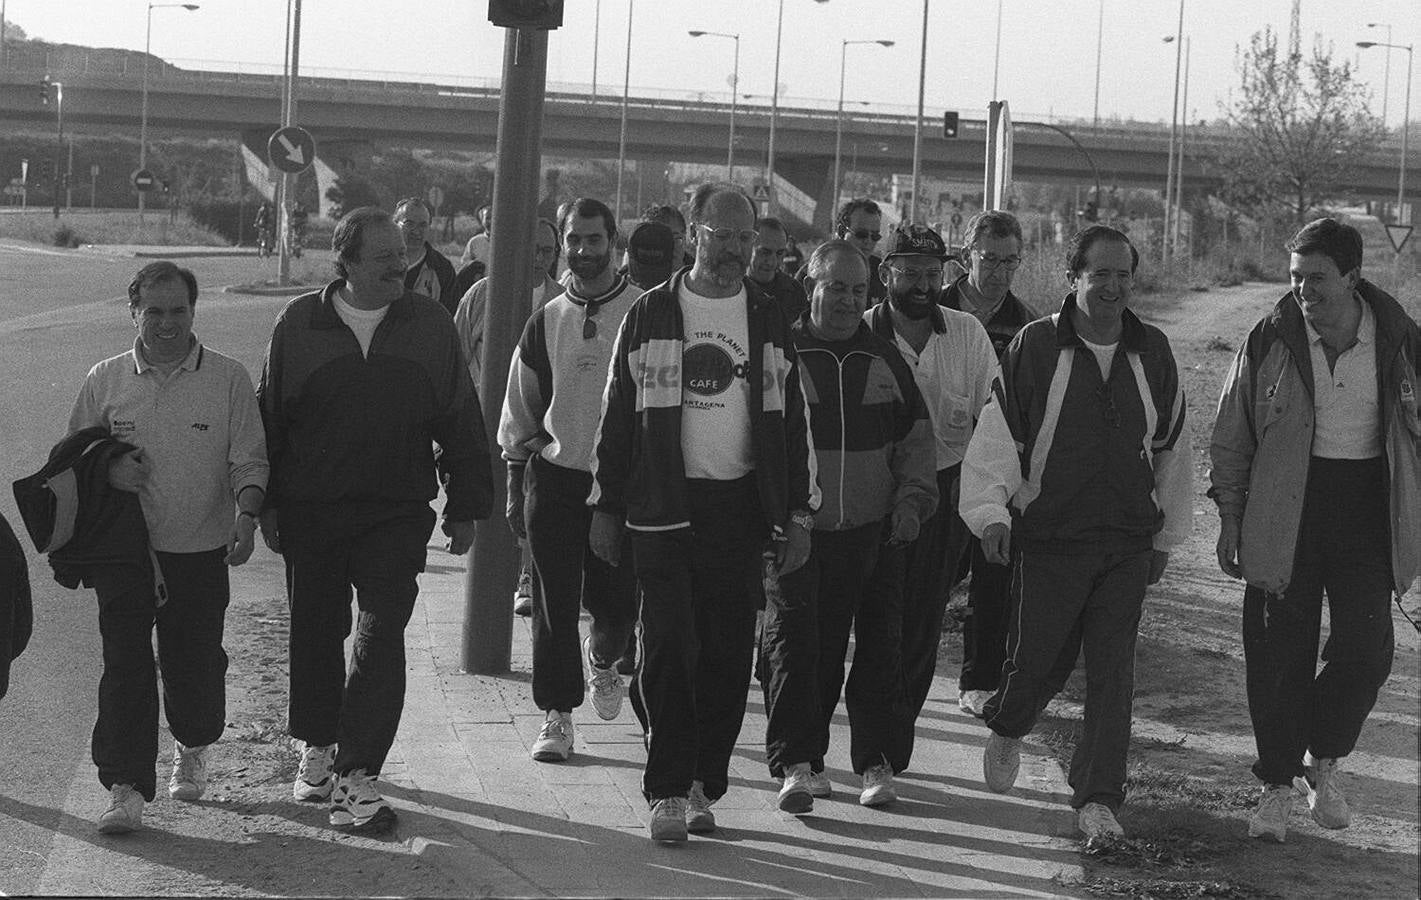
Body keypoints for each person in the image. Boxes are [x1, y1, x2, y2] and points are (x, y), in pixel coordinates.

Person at [588, 182, 818, 843]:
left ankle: (700, 784)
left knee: (722, 653)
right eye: (720, 238)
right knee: (664, 645)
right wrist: (605, 503)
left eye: (744, 240)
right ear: (693, 236)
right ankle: (664, 789)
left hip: (737, 510)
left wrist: (797, 513)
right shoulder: (652, 313)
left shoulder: (768, 315)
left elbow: (791, 418)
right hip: (662, 502)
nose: (733, 252)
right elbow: (615, 415)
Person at [257, 207, 493, 834]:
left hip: (395, 510)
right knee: (316, 627)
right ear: (348, 262)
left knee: (382, 631)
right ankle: (317, 744)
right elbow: (272, 421)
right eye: (385, 255)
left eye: (404, 252)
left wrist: (467, 504)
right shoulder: (299, 323)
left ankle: (358, 774)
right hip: (313, 509)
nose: (401, 264)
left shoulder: (430, 324)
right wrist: (267, 505)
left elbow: (459, 416)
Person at [960, 224, 1192, 843]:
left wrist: (1166, 538)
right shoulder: (1035, 347)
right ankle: (1008, 725)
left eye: (1123, 275)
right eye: (1100, 274)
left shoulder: (1154, 351)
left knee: (1113, 672)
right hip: (1052, 539)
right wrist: (990, 514)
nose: (1113, 286)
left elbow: (1172, 448)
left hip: (1125, 542)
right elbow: (999, 431)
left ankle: (1097, 800)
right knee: (1037, 662)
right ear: (1074, 279)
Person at [1209, 217, 1420, 844]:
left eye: (1317, 277)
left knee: (1365, 648)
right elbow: (1231, 431)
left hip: (1365, 513)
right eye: (1295, 276)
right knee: (1277, 654)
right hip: (1284, 512)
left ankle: (1323, 760)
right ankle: (1276, 786)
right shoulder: (1270, 335)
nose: (1303, 289)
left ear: (1353, 278)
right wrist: (1229, 515)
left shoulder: (1401, 338)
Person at [67, 261, 269, 833]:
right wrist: (106, 472)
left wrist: (247, 515)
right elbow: (70, 462)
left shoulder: (227, 378)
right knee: (125, 666)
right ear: (134, 312)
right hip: (125, 556)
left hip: (202, 553)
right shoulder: (105, 379)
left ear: (192, 312)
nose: (166, 323)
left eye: (177, 310)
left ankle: (193, 742)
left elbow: (249, 459)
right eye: (153, 311)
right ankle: (126, 786)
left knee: (195, 668)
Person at [758, 239, 937, 813]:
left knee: (881, 650)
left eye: (858, 290)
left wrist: (911, 505)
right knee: (797, 649)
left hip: (875, 534)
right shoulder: (778, 353)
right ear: (809, 285)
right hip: (798, 533)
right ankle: (797, 763)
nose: (846, 300)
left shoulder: (885, 359)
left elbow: (915, 445)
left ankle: (876, 762)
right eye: (835, 287)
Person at [500, 198, 643, 764]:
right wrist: (517, 481)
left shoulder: (644, 313)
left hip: (620, 491)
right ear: (561, 244)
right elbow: (521, 408)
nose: (583, 250)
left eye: (594, 239)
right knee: (553, 603)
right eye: (573, 240)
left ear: (614, 241)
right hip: (555, 482)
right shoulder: (548, 318)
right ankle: (556, 716)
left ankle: (605, 658)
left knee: (616, 608)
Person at [860, 224, 998, 799]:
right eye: (908, 270)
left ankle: (887, 752)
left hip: (942, 498)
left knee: (918, 626)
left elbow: (997, 414)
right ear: (885, 271)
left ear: (946, 273)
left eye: (930, 271)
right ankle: (834, 751)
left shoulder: (967, 334)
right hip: (866, 499)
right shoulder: (860, 332)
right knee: (870, 628)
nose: (920, 283)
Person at [941, 210, 1039, 717]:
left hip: (994, 467)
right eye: (989, 259)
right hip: (935, 461)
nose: (1000, 272)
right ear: (965, 258)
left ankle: (978, 681)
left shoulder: (1026, 328)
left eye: (1010, 261)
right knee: (927, 575)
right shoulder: (930, 311)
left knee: (993, 576)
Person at [798, 199, 887, 305]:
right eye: (861, 234)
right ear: (841, 231)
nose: (868, 241)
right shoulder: (813, 272)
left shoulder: (882, 274)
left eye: (875, 236)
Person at [394, 197, 458, 316]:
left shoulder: (442, 268)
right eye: (409, 224)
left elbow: (449, 317)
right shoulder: (378, 262)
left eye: (422, 225)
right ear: (395, 224)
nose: (416, 231)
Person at [749, 217, 810, 322]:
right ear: (748, 247)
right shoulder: (732, 289)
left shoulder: (795, 293)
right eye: (765, 252)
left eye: (779, 253)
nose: (772, 262)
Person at [640, 204, 692, 269]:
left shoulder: (703, 275)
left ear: (685, 237)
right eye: (661, 241)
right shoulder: (632, 276)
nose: (670, 247)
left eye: (676, 240)